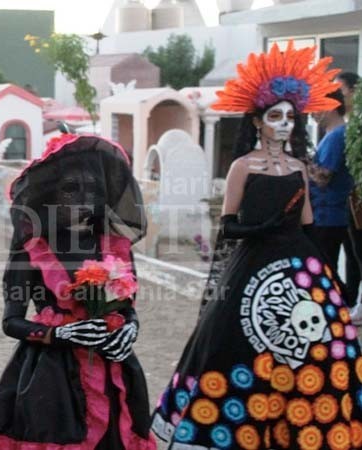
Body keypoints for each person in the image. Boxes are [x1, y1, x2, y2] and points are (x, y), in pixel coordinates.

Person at [152, 42, 362, 450]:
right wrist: (258, 228)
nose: (283, 124)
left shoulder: (299, 167)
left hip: (300, 264)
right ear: (257, 120)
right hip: (252, 263)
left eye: (290, 117)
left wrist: (322, 271)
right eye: (275, 116)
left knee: (326, 342)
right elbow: (228, 226)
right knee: (227, 341)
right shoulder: (242, 167)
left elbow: (307, 223)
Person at [0, 133, 154, 450]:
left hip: (113, 369)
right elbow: (11, 322)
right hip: (53, 380)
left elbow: (126, 308)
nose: (84, 197)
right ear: (52, 193)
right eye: (72, 188)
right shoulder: (32, 249)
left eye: (93, 187)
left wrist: (130, 328)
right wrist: (59, 334)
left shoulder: (115, 245)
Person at [309, 89, 351, 269]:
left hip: (327, 215)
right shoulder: (336, 134)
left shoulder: (336, 136)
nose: (313, 113)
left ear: (331, 106)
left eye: (317, 107)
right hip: (331, 214)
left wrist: (303, 164)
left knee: (324, 269)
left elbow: (323, 178)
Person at [338, 72, 361, 305]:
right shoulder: (349, 124)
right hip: (350, 197)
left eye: (341, 92)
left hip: (356, 195)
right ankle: (353, 301)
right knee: (353, 251)